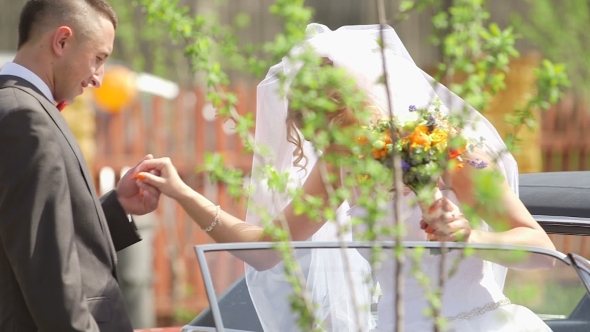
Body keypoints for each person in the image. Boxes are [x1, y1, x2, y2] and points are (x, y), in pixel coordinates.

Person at [135, 24, 556, 331]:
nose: (325, 143)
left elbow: (539, 249)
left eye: (332, 123)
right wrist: (181, 191)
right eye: (311, 132)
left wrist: (470, 238)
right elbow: (267, 249)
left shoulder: (446, 146)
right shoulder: (339, 167)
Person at [0, 1, 161, 331]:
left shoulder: (17, 107)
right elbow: (45, 268)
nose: (100, 78)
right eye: (99, 58)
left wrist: (117, 206)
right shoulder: (25, 118)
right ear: (62, 41)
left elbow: (42, 235)